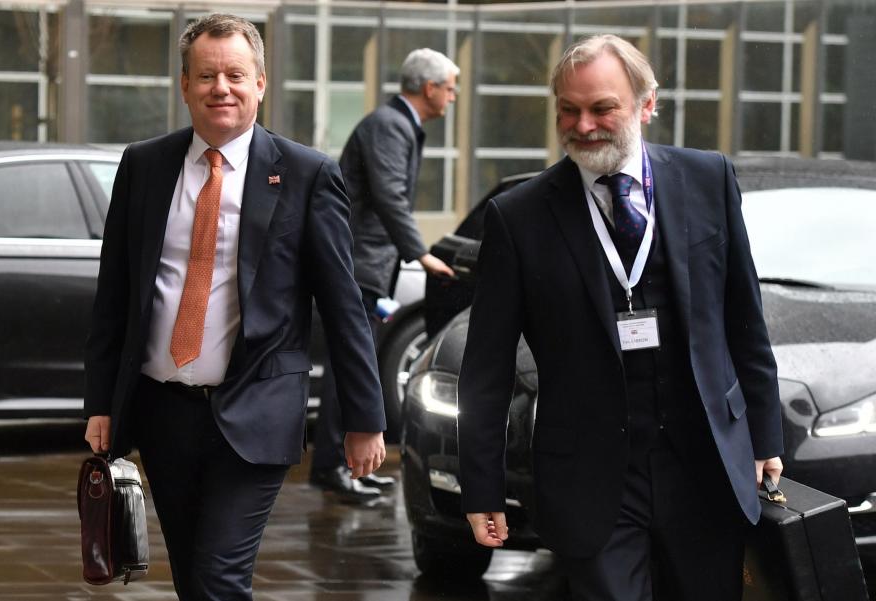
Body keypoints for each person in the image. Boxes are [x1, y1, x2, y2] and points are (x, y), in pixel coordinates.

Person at [457, 34, 784, 601]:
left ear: (646, 104)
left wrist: (763, 435)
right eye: (569, 110)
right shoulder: (518, 218)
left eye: (602, 107)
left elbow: (743, 320)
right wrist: (480, 486)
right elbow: (486, 366)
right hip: (590, 477)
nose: (583, 126)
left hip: (705, 465)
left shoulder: (709, 179)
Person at [82, 14, 386, 601]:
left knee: (219, 578)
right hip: (162, 411)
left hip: (257, 412)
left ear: (261, 84)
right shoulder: (144, 166)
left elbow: (344, 307)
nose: (221, 88)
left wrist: (364, 418)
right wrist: (101, 404)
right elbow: (114, 295)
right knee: (195, 580)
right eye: (206, 76)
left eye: (235, 75)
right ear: (185, 85)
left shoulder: (306, 174)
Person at [308, 48, 459, 498]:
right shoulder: (390, 126)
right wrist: (421, 254)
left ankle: (349, 466)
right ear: (429, 88)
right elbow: (389, 196)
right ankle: (333, 467)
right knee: (349, 368)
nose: (452, 98)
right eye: (450, 88)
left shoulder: (398, 125)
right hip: (358, 266)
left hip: (368, 265)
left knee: (359, 367)